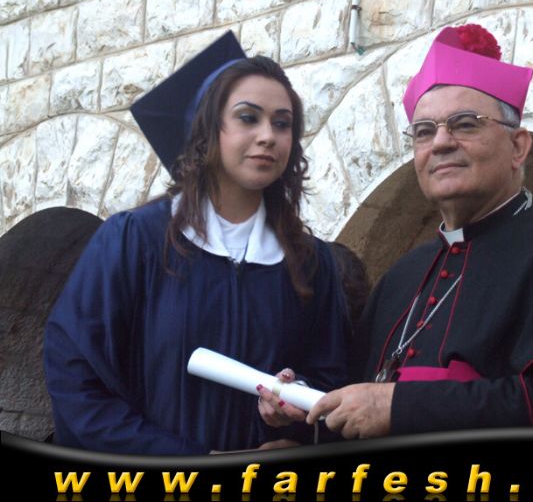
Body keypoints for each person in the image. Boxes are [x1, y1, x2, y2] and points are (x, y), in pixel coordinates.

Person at [307, 24, 533, 438]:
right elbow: (355, 402)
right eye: (424, 132)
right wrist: (300, 408)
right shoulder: (400, 277)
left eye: (465, 124)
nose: (440, 143)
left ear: (518, 147)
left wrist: (400, 406)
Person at [43, 32, 349, 454]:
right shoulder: (134, 241)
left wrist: (295, 408)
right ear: (207, 132)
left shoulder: (310, 263)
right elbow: (77, 383)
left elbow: (334, 385)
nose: (268, 135)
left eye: (282, 123)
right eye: (248, 117)